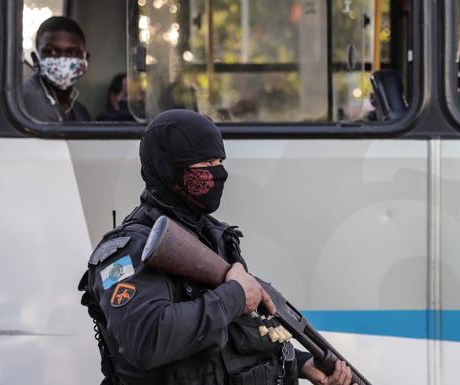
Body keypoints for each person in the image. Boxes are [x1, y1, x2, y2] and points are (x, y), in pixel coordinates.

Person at [78, 110, 355, 385]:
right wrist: (234, 295)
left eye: (219, 160)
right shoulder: (124, 252)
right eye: (206, 162)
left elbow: (235, 337)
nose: (218, 171)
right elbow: (147, 340)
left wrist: (303, 363)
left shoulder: (215, 236)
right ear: (168, 168)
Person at [23, 16, 91, 122]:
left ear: (85, 59)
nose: (62, 59)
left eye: (72, 52)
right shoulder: (27, 101)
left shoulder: (80, 112)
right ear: (35, 59)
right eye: (51, 52)